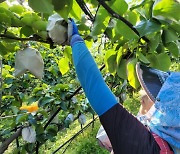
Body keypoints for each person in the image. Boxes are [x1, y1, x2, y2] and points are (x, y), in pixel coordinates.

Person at [67, 19, 180, 154]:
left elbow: (95, 88)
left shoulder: (144, 148)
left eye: (160, 104)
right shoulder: (169, 141)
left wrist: (76, 40)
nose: (156, 108)